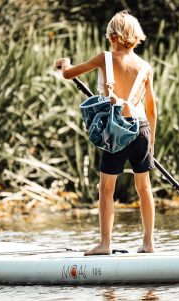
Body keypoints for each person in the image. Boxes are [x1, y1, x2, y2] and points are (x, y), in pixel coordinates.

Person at [55, 11, 157, 255]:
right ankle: (148, 243)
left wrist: (64, 63)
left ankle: (105, 243)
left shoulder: (105, 58)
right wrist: (151, 140)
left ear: (113, 36)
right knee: (144, 188)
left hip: (116, 130)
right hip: (141, 128)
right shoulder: (146, 67)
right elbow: (152, 109)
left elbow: (69, 74)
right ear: (135, 38)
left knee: (106, 188)